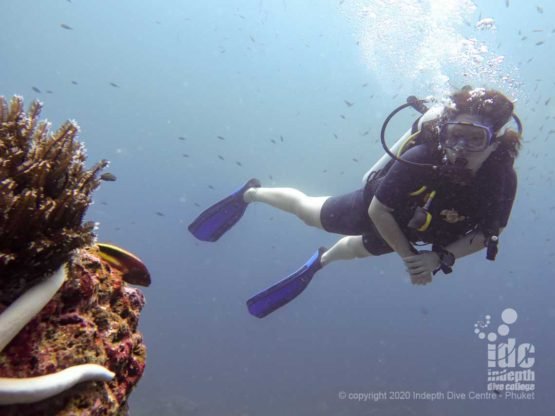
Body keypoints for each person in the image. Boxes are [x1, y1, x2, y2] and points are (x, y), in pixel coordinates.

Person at [189, 87, 521, 318]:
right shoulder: (423, 156)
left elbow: (493, 231)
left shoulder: (502, 178)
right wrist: (411, 257)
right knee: (308, 214)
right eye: (454, 135)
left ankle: (322, 261)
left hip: (426, 231)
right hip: (383, 206)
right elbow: (378, 210)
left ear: (494, 142)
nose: (460, 147)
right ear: (443, 133)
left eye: (475, 138)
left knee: (359, 250)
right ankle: (251, 193)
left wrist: (441, 256)